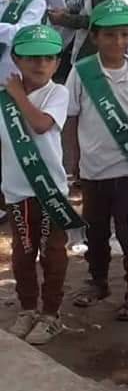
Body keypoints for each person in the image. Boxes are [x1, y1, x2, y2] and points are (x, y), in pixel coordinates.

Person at [65, 0, 128, 320]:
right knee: (96, 231)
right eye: (110, 35)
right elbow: (71, 116)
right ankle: (98, 281)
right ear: (94, 36)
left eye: (124, 34)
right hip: (93, 169)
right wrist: (72, 159)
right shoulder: (82, 72)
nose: (118, 41)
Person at [0, 25, 70, 344]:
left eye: (48, 58)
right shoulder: (3, 101)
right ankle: (28, 308)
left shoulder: (57, 93)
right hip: (18, 193)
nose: (40, 64)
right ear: (16, 60)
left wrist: (17, 95)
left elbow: (41, 124)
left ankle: (51, 314)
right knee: (23, 254)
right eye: (31, 58)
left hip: (50, 192)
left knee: (53, 253)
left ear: (57, 62)